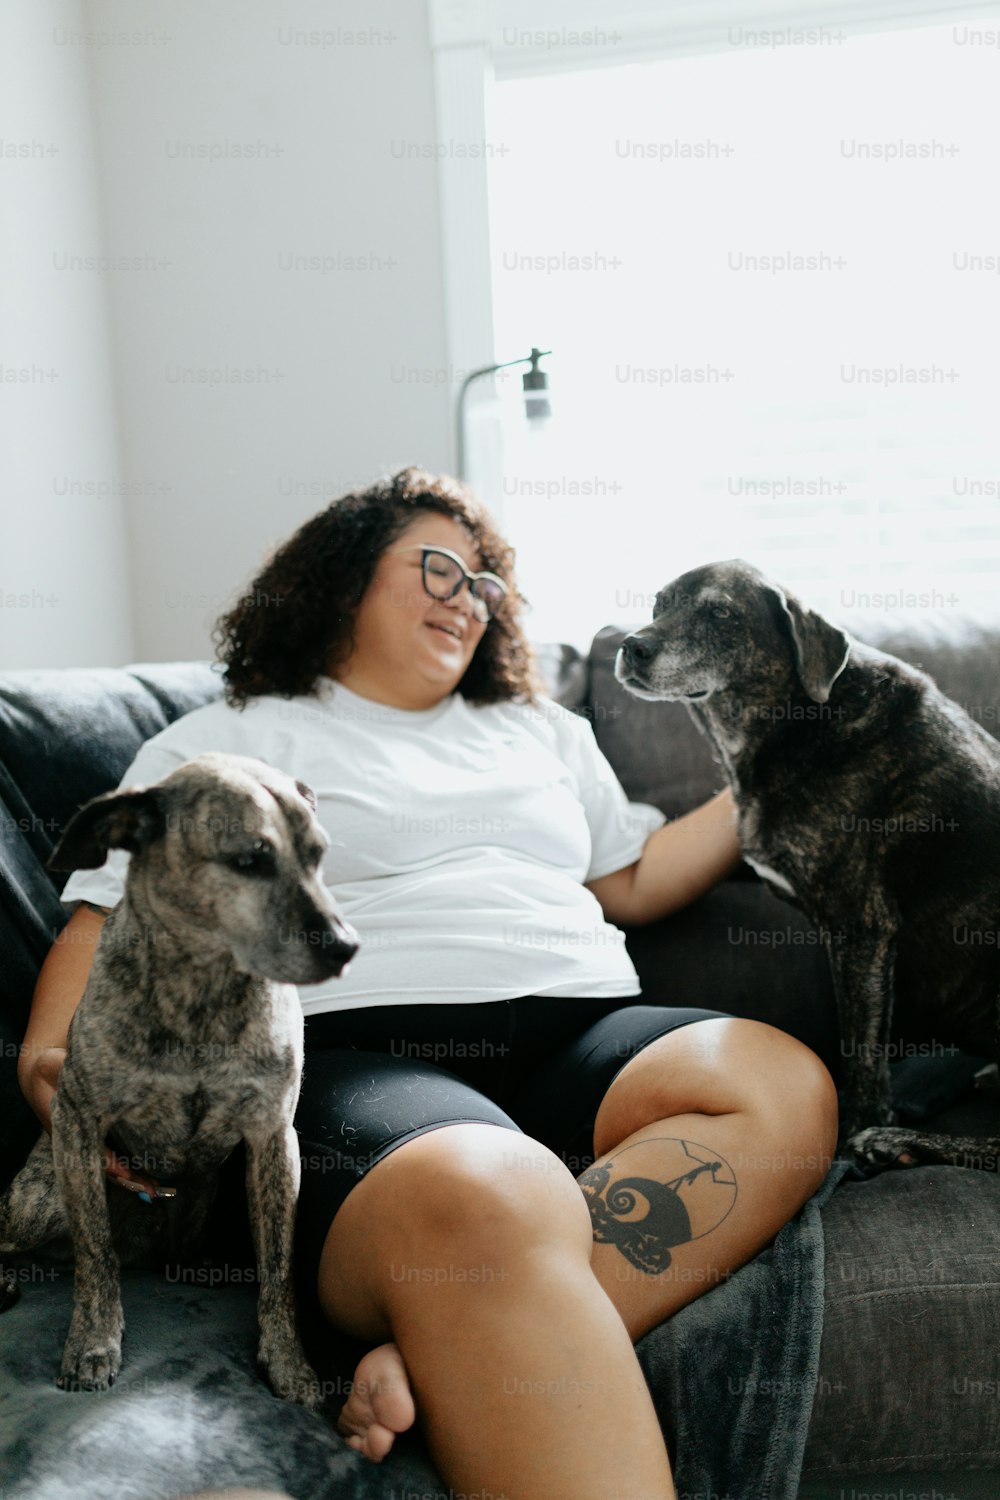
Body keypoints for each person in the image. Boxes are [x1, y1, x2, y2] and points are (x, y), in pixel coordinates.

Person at [19, 468, 838, 1500]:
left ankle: (460, 1338)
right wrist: (51, 1056)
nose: (466, 595)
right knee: (486, 1197)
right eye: (434, 568)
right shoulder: (234, 735)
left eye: (484, 581)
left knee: (779, 1084)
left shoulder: (543, 730)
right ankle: (479, 1299)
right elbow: (103, 913)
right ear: (341, 580)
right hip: (360, 1048)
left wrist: (773, 764)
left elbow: (629, 881)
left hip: (581, 1025)